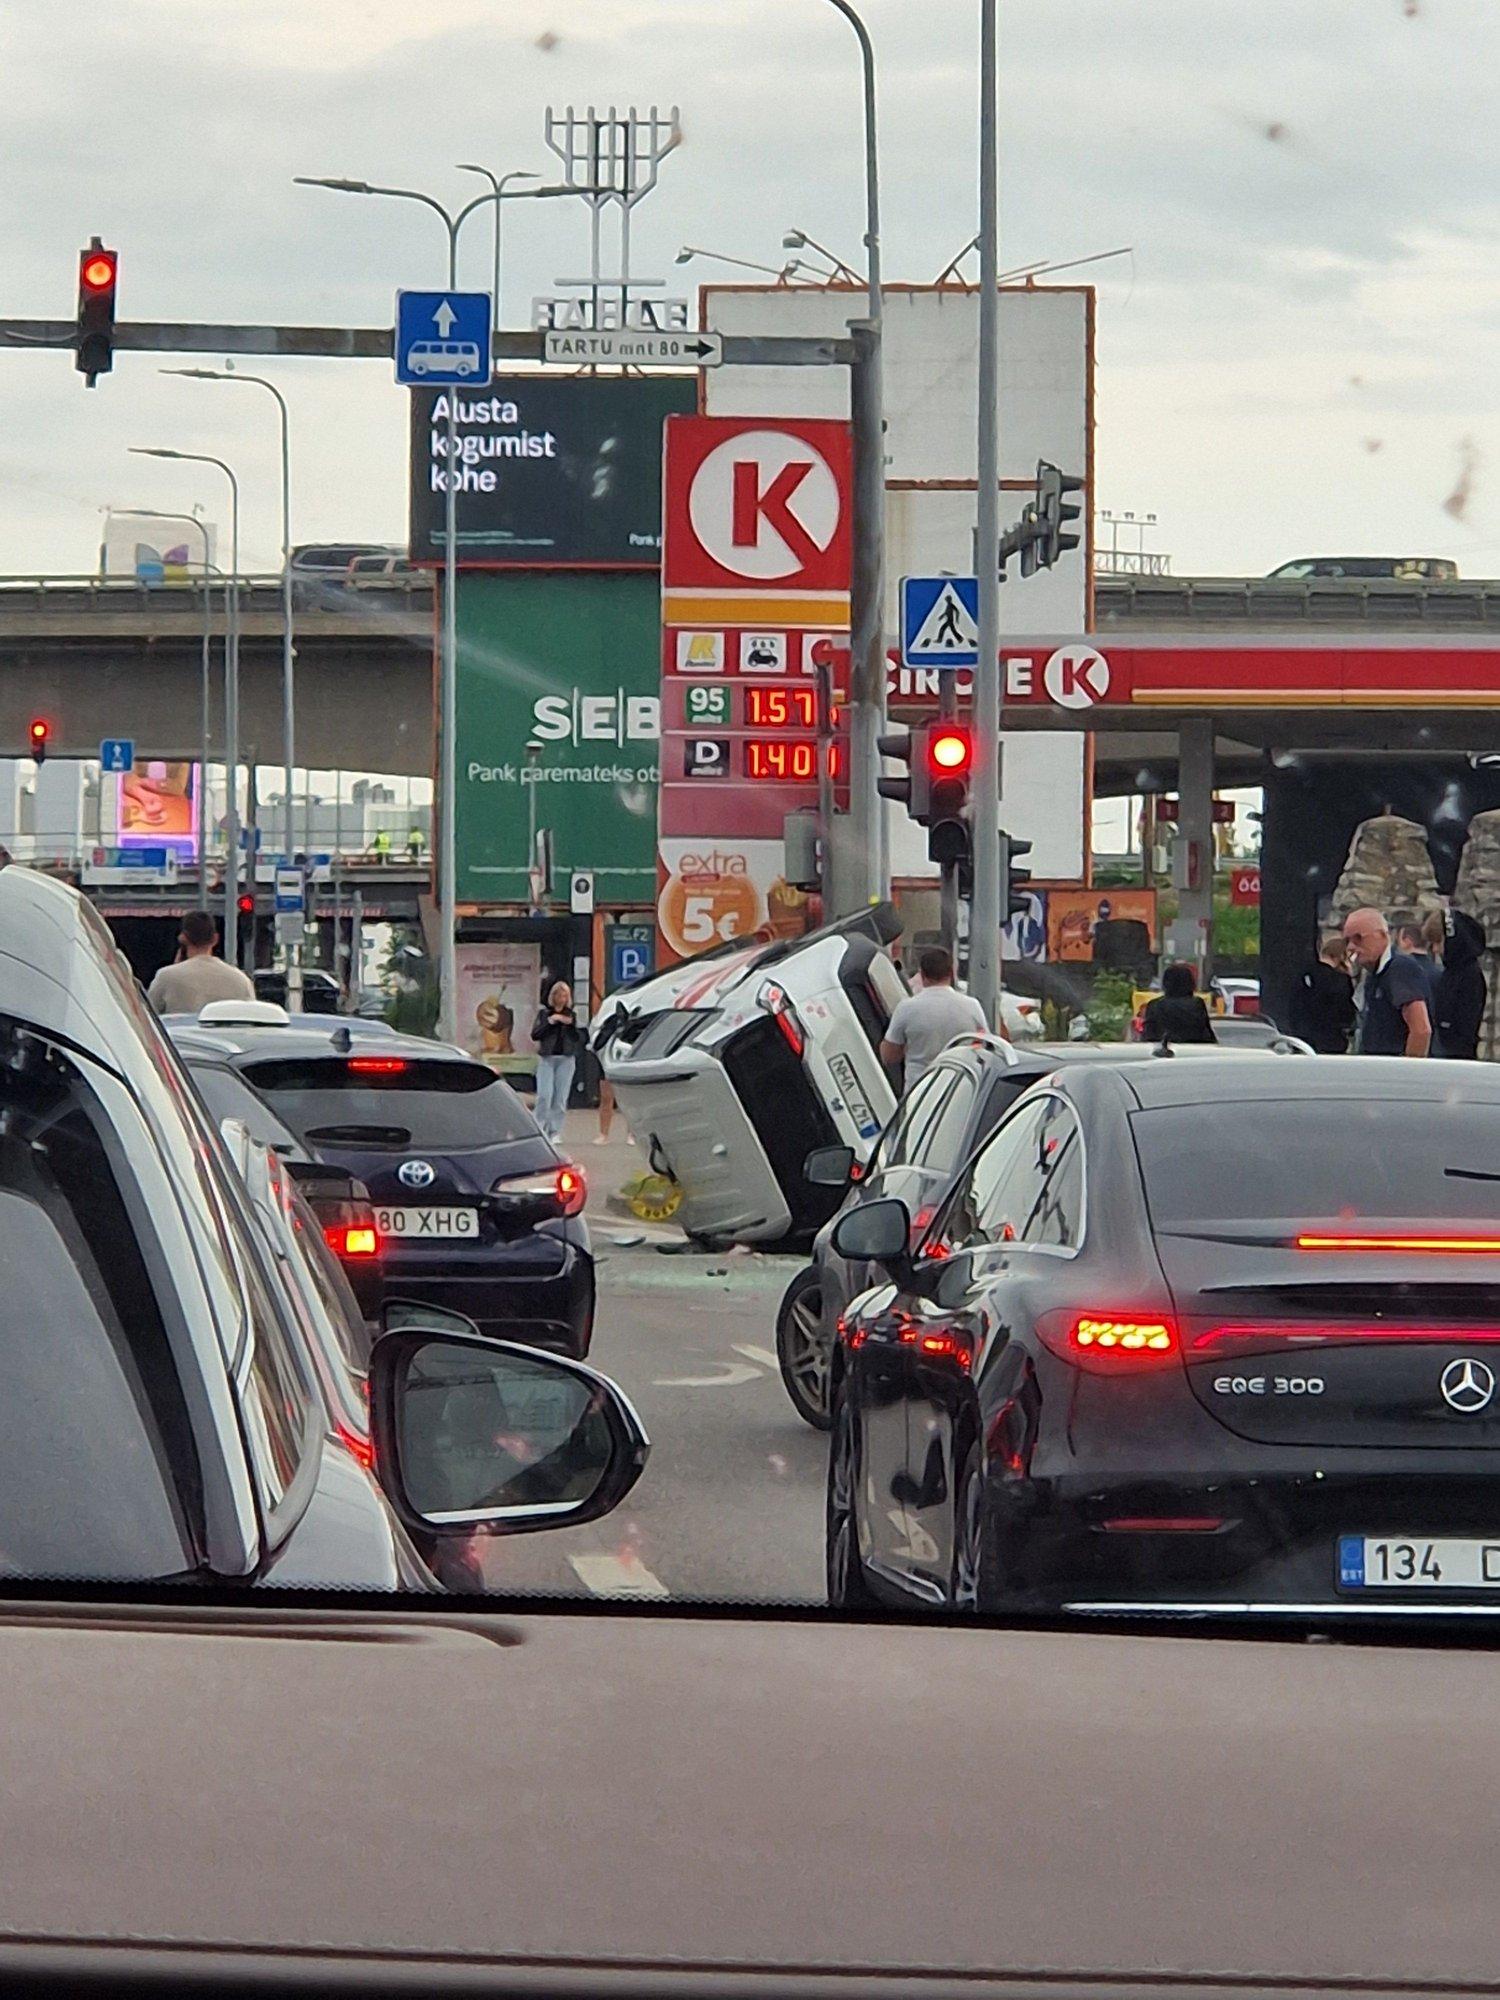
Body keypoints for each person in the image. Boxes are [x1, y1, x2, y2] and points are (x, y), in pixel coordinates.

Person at [879, 946, 988, 1089]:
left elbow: (889, 1056)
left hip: (919, 1090)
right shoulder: (971, 1006)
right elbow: (987, 1046)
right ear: (952, 972)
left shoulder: (906, 1008)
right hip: (958, 1089)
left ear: (922, 975)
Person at [1343, 907, 1432, 1057]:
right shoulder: (1374, 975)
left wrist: (1407, 1074)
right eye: (1347, 941)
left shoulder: (1400, 969)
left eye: (1358, 938)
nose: (1351, 946)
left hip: (1391, 1072)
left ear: (1382, 936)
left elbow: (1421, 1030)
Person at [145, 910, 254, 1016]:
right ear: (215, 939)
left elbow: (147, 1017)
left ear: (183, 938)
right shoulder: (240, 980)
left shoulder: (166, 977)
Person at [1430, 907, 1487, 1060]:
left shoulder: (1469, 974)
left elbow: (1466, 1023)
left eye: (1438, 942)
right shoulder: (1450, 971)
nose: (1435, 950)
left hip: (1456, 1053)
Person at [531, 979, 583, 1143]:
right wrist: (550, 1022)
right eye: (559, 995)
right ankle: (539, 1127)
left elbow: (577, 1038)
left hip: (565, 1059)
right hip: (547, 1058)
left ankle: (555, 1131)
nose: (562, 999)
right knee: (544, 1095)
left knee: (560, 1098)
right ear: (553, 997)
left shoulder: (571, 1015)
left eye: (565, 995)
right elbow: (535, 1034)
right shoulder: (544, 1014)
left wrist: (570, 1025)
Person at [1292, 933, 1357, 1054]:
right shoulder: (1340, 980)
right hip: (1330, 1040)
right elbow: (1346, 1013)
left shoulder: (1304, 974)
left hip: (1303, 1038)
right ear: (1341, 956)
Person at [1140, 961, 1217, 1045]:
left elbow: (1148, 1036)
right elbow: (1205, 1034)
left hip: (1162, 1049)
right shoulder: (1197, 1004)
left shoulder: (1154, 1005)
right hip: (1192, 1050)